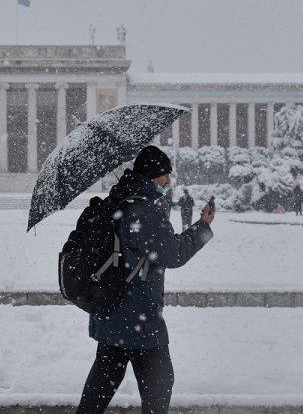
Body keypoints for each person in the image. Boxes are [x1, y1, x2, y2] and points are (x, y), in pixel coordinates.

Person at [77, 145, 215, 414]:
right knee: (160, 385)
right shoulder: (143, 210)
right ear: (154, 175)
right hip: (138, 318)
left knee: (98, 391)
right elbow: (173, 254)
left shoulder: (118, 200)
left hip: (111, 311)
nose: (169, 181)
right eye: (166, 174)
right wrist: (203, 227)